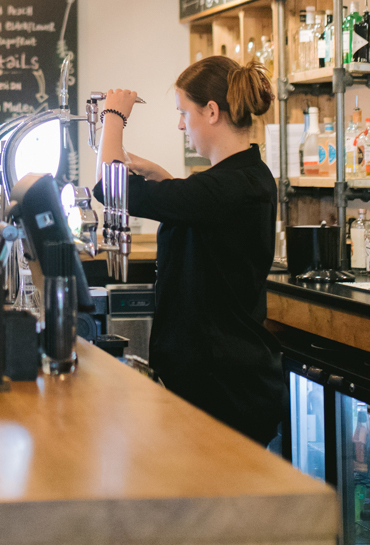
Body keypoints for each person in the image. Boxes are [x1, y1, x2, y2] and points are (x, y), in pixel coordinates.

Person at [93, 55, 288, 447]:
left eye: (184, 112)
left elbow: (108, 187)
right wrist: (166, 180)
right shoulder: (241, 178)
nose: (181, 124)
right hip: (218, 378)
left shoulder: (232, 187)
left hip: (226, 387)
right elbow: (206, 219)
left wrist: (112, 116)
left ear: (211, 111)